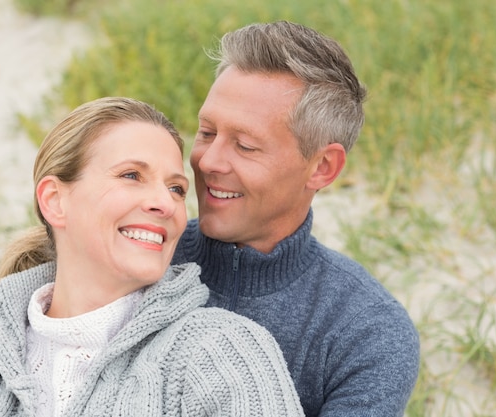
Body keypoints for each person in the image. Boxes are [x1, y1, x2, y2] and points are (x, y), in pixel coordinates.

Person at [0, 97, 305, 416]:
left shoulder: (220, 351)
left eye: (177, 189)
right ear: (55, 201)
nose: (165, 203)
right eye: (132, 176)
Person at [172, 21, 420, 417]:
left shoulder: (369, 334)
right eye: (206, 132)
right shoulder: (139, 257)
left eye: (245, 145)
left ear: (322, 167)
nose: (208, 161)